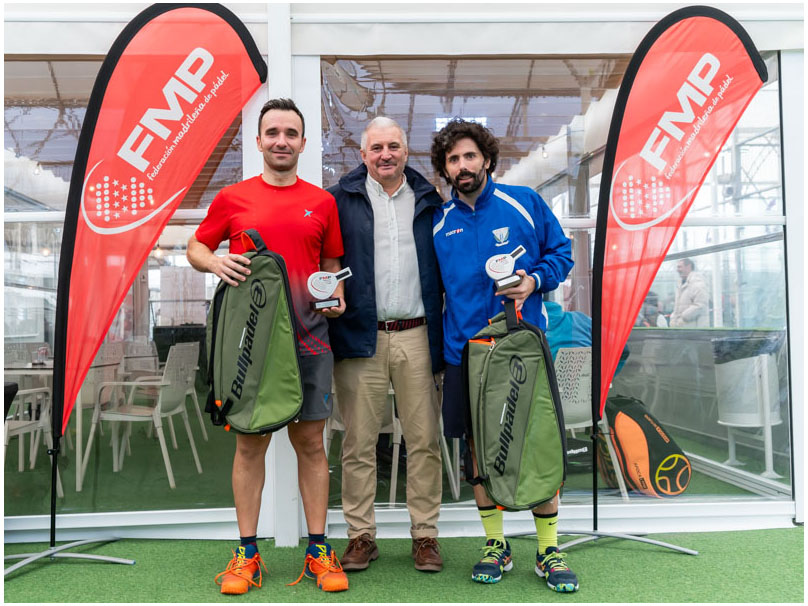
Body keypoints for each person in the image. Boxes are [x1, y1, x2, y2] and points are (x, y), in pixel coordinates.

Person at [187, 98, 349, 595]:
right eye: (273, 132)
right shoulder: (232, 198)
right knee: (250, 444)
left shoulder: (322, 202)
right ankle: (247, 554)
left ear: (303, 143)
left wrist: (336, 296)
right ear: (258, 141)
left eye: (291, 133)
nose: (282, 140)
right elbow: (196, 247)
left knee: (311, 445)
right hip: (252, 347)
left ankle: (318, 550)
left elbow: (331, 266)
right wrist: (215, 263)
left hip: (310, 341)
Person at [429, 119, 578, 593]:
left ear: (487, 160)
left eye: (469, 156)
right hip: (467, 355)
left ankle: (548, 549)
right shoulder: (439, 224)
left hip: (521, 350)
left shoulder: (524, 203)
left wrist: (534, 280)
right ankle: (496, 545)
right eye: (453, 159)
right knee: (479, 451)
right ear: (445, 170)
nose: (462, 165)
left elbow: (562, 254)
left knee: (535, 445)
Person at [327, 117, 445, 573]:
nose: (385, 155)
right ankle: (361, 536)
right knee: (358, 443)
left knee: (424, 441)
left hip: (417, 334)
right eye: (376, 148)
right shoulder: (340, 200)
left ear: (405, 150)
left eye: (393, 146)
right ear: (363, 154)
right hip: (361, 334)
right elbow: (327, 260)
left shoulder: (430, 200)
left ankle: (425, 536)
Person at [670, 258, 709, 328]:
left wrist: (683, 317)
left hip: (694, 329)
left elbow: (700, 305)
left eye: (679, 267)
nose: (677, 270)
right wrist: (674, 318)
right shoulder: (681, 285)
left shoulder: (697, 283)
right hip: (683, 327)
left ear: (688, 267)